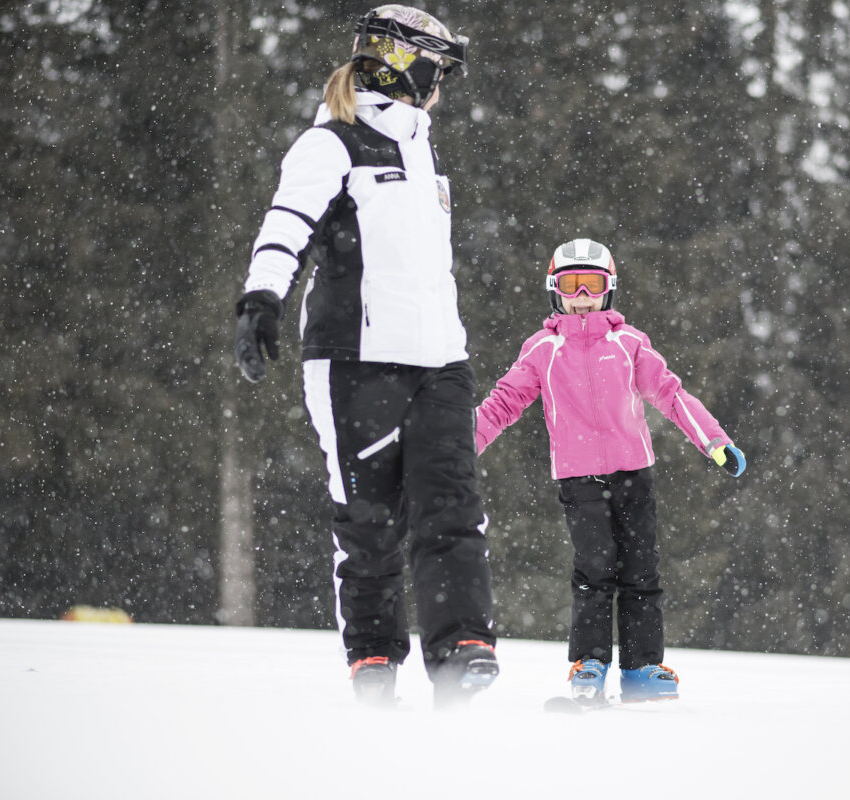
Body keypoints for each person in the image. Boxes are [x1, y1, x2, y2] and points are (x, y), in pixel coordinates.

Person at [233, 5, 497, 708]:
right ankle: (374, 656)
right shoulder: (332, 142)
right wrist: (262, 300)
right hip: (355, 360)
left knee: (453, 507)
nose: (443, 83)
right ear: (404, 61)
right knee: (370, 519)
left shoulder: (423, 146)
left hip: (440, 359)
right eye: (439, 68)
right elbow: (286, 223)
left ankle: (461, 649)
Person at [475, 238, 746, 704]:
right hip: (579, 480)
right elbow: (503, 403)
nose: (581, 295)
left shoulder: (628, 344)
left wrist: (714, 441)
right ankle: (591, 663)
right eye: (571, 285)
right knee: (594, 569)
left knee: (641, 571)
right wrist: (460, 450)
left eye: (592, 285)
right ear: (554, 291)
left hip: (633, 474)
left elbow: (671, 395)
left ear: (609, 289)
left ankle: (642, 668)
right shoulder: (543, 348)